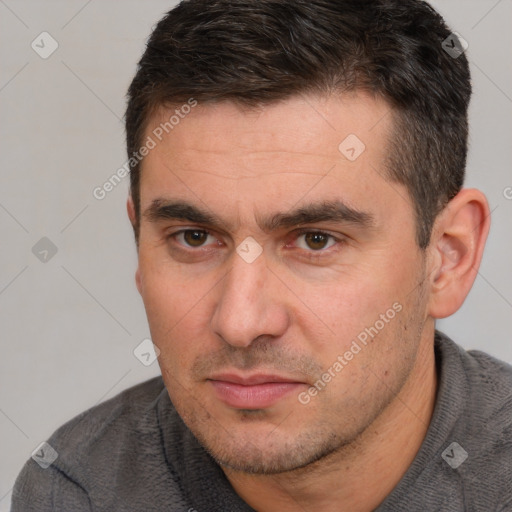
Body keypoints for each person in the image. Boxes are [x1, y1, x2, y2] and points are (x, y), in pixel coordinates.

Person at [11, 0, 512, 510]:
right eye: (194, 238)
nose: (240, 322)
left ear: (449, 257)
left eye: (316, 240)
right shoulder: (77, 493)